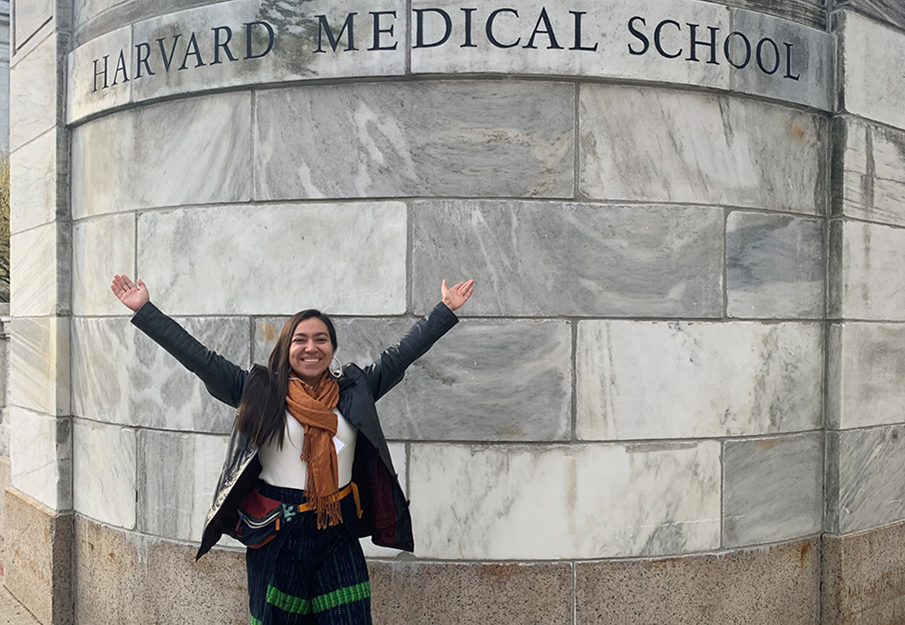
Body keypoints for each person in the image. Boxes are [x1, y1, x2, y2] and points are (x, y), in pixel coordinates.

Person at [110, 274, 474, 625]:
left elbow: (400, 356)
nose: (311, 348)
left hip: (337, 526)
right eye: (300, 340)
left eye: (321, 340)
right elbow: (200, 358)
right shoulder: (259, 390)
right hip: (278, 530)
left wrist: (444, 311)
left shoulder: (354, 390)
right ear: (286, 347)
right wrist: (145, 311)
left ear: (332, 348)